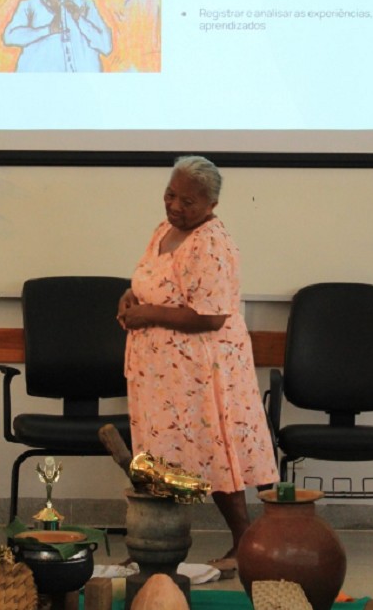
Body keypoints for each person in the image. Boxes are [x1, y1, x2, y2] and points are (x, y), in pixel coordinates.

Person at [117, 156, 278, 575]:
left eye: (187, 201)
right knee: (159, 458)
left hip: (201, 372)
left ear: (210, 204)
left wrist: (148, 314)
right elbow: (149, 282)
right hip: (159, 374)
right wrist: (130, 300)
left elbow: (210, 316)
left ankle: (245, 541)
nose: (174, 205)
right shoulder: (164, 230)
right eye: (171, 194)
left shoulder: (212, 243)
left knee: (213, 455)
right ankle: (152, 544)